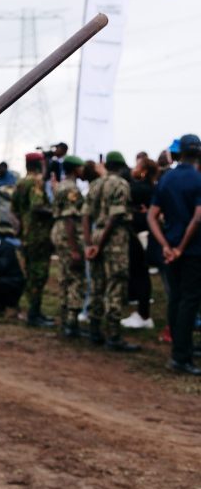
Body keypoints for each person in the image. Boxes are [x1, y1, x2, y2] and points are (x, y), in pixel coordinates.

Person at [147, 134, 201, 375]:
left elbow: (152, 216)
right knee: (190, 300)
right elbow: (198, 217)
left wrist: (166, 245)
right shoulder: (197, 179)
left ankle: (180, 349)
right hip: (193, 251)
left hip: (170, 250)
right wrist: (181, 247)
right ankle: (182, 356)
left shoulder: (166, 178)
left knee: (176, 299)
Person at [82, 151, 140, 352]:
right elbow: (115, 217)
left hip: (95, 235)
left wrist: (89, 243)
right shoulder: (121, 184)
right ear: (121, 167)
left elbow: (86, 215)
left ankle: (94, 330)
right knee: (115, 284)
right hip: (114, 240)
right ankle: (113, 335)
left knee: (96, 285)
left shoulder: (95, 184)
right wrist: (100, 244)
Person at [12, 152, 55, 328]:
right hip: (39, 235)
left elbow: (14, 209)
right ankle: (34, 313)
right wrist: (56, 211)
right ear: (40, 165)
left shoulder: (20, 183)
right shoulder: (37, 181)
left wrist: (22, 226)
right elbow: (38, 206)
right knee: (39, 274)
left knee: (30, 272)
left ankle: (34, 310)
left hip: (27, 235)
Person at [51, 156, 85, 338]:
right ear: (75, 169)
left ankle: (64, 319)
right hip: (68, 233)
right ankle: (72, 322)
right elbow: (70, 217)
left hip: (59, 231)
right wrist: (74, 248)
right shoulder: (71, 188)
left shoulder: (60, 185)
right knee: (75, 277)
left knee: (64, 276)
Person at [124, 157, 159, 330]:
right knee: (141, 273)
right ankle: (141, 309)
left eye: (137, 166)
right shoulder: (152, 187)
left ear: (144, 171)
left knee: (140, 273)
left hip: (139, 235)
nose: (134, 169)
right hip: (146, 235)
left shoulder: (139, 188)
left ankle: (143, 314)